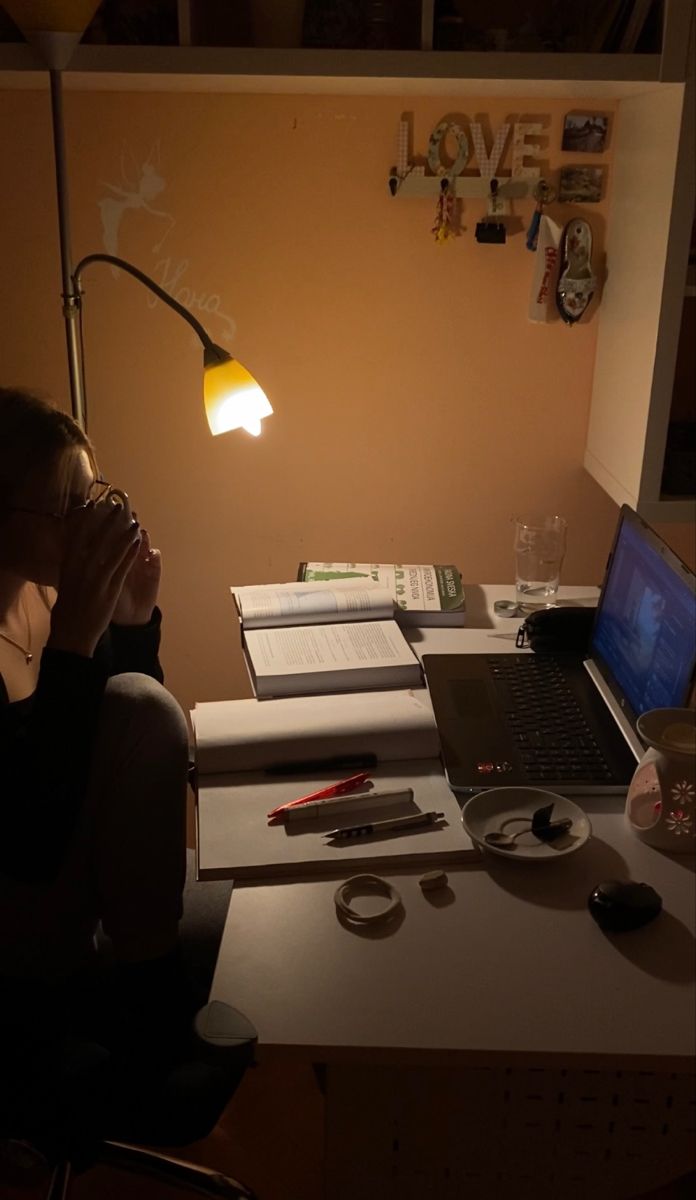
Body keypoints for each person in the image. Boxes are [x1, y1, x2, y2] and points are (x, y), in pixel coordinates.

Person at [0, 385, 197, 1063]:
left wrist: (132, 621)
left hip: (69, 888)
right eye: (66, 507)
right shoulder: (60, 615)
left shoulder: (42, 594)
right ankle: (149, 1020)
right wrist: (75, 641)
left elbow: (116, 748)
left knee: (141, 703)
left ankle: (147, 981)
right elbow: (27, 841)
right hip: (18, 919)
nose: (88, 525)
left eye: (93, 499)